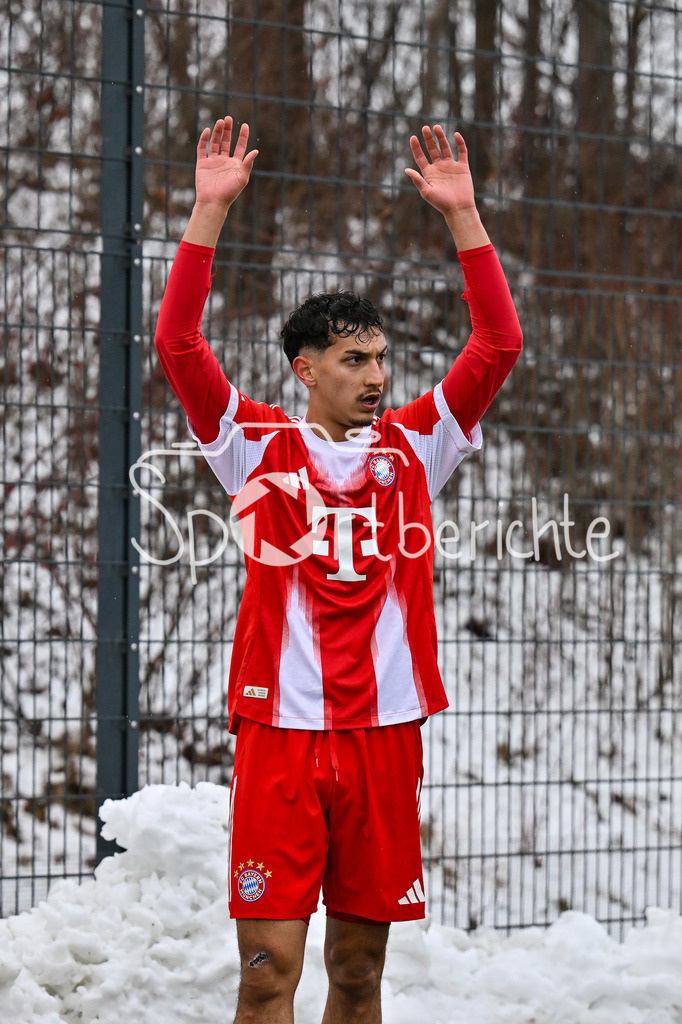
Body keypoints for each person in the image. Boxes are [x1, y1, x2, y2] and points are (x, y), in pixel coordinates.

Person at [154, 115, 522, 1024]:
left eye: (382, 359)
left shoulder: (419, 443)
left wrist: (463, 218)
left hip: (382, 736)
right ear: (305, 370)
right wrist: (209, 211)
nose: (376, 377)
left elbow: (498, 345)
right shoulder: (253, 445)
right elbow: (178, 345)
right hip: (279, 734)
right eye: (355, 361)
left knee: (358, 973)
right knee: (265, 975)